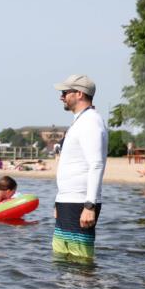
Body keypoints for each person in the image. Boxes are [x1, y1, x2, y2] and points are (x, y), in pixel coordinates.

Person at [52, 74, 107, 262]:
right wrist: (58, 201)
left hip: (81, 203)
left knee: (80, 262)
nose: (61, 97)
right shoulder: (80, 121)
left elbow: (96, 164)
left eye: (65, 92)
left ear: (80, 94)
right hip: (68, 201)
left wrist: (89, 205)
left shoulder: (91, 121)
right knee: (61, 258)